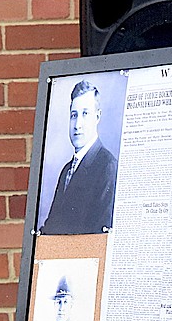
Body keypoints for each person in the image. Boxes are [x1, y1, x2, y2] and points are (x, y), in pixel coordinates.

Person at [39, 80, 119, 235]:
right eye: (74, 115)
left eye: (85, 114)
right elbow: (52, 226)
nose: (77, 124)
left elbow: (100, 234)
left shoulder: (107, 166)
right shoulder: (67, 170)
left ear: (97, 116)